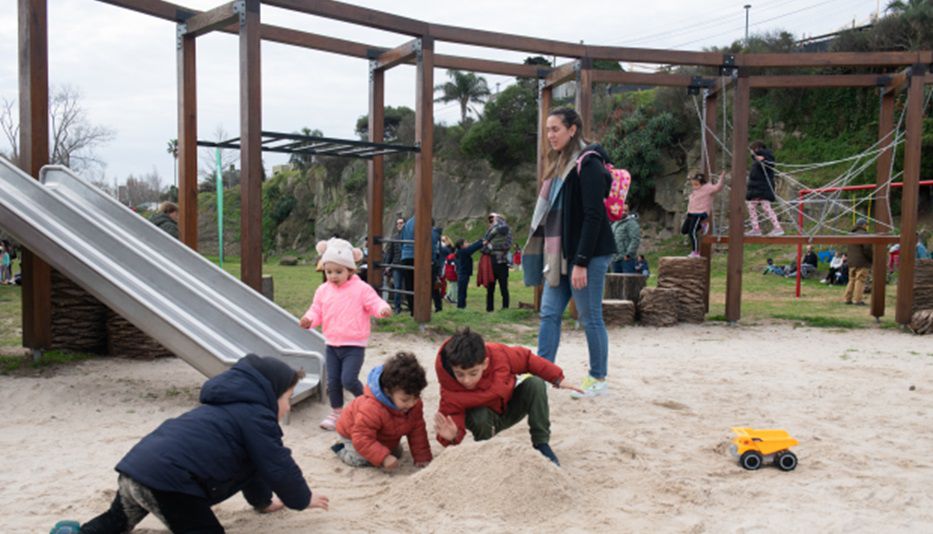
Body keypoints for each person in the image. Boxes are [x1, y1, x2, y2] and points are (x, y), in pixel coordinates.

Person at [78, 354, 328, 533]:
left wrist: (263, 502)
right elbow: (276, 464)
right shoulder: (256, 417)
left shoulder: (226, 410)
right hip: (170, 483)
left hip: (137, 470)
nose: (288, 406)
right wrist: (302, 498)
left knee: (117, 521)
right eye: (287, 398)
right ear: (269, 394)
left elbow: (255, 468)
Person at [523, 107, 617, 399]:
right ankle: (541, 372)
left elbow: (594, 216)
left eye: (556, 129)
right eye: (548, 130)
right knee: (549, 313)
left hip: (587, 254)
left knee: (590, 317)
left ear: (572, 129)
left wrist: (581, 262)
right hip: (560, 255)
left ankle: (598, 378)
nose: (550, 135)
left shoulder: (588, 164)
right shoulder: (560, 163)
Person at [432, 328, 581, 466]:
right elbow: (451, 425)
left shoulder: (500, 355)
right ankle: (486, 451)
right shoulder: (450, 390)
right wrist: (451, 437)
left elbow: (528, 359)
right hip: (484, 422)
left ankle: (541, 444)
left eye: (473, 373)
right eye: (459, 374)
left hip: (509, 408)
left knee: (535, 384)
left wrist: (557, 378)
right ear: (452, 369)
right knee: (479, 414)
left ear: (485, 363)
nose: (467, 380)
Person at [300, 238, 392, 430]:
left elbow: (374, 302)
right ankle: (337, 413)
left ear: (351, 270)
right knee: (333, 381)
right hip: (332, 343)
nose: (333, 276)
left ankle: (369, 403)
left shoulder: (361, 289)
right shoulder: (323, 290)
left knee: (348, 379)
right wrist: (309, 320)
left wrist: (382, 308)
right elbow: (316, 310)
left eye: (338, 272)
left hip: (354, 344)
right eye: (329, 271)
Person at [332, 352, 432, 470]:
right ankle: (340, 448)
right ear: (388, 392)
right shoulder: (372, 408)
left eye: (416, 396)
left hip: (382, 434)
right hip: (352, 435)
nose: (411, 404)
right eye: (405, 400)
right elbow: (361, 438)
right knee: (361, 460)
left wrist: (422, 457)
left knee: (397, 453)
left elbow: (417, 429)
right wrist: (384, 458)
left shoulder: (414, 404)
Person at [683, 171, 726, 258]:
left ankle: (695, 252)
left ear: (701, 183)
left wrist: (721, 178)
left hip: (700, 213)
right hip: (691, 213)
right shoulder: (695, 190)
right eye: (693, 183)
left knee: (692, 232)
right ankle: (703, 225)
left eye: (696, 183)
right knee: (684, 230)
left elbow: (718, 188)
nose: (694, 185)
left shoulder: (707, 188)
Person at [746, 140, 784, 237]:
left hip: (763, 188)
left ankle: (777, 228)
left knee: (766, 207)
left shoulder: (765, 155)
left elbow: (768, 163)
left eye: (753, 150)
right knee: (751, 206)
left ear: (757, 149)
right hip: (757, 188)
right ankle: (756, 229)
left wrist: (760, 159)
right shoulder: (758, 158)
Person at [482, 213, 513, 312]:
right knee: (504, 287)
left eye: (492, 219)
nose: (491, 221)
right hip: (503, 261)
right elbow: (508, 245)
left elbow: (484, 244)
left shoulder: (491, 231)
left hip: (492, 260)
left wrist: (490, 246)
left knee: (491, 288)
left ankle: (489, 309)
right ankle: (505, 308)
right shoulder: (508, 231)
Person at [844, 218, 872, 306]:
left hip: (852, 262)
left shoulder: (850, 234)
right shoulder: (865, 235)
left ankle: (847, 298)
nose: (867, 227)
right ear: (863, 225)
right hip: (862, 261)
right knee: (860, 280)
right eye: (866, 225)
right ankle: (858, 300)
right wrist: (872, 258)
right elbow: (867, 249)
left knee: (851, 280)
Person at [383, 217, 406, 314]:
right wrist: (387, 265)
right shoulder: (394, 237)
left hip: (406, 263)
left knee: (409, 286)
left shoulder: (409, 236)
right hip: (396, 264)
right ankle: (397, 307)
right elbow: (390, 252)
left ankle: (412, 307)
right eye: (398, 223)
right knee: (397, 286)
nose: (399, 225)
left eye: (401, 223)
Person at [610, 201, 640, 273]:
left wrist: (628, 255)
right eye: (622, 210)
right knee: (615, 282)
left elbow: (635, 240)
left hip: (626, 260)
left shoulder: (632, 223)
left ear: (628, 212)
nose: (623, 212)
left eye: (626, 210)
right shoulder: (614, 223)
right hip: (615, 259)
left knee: (628, 282)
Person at [454, 238, 484, 308]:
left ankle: (462, 306)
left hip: (463, 274)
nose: (468, 243)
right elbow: (473, 248)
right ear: (462, 246)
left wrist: (478, 241)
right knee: (462, 292)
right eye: (466, 242)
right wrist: (481, 242)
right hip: (463, 274)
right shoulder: (463, 251)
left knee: (462, 292)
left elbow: (471, 247)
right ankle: (461, 307)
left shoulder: (461, 251)